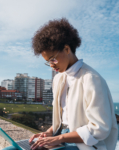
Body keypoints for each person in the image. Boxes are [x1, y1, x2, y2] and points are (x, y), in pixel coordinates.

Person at [29, 18, 118, 150]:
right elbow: (64, 118)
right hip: (63, 136)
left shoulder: (91, 78)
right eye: (48, 61)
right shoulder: (58, 79)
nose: (52, 65)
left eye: (53, 59)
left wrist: (58, 138)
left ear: (66, 48)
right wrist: (49, 133)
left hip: (87, 144)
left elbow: (100, 128)